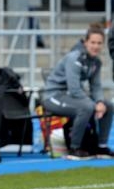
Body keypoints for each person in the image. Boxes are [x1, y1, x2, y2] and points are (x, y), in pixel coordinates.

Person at [42, 23, 114, 160]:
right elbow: (74, 89)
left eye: (99, 43)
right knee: (86, 107)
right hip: (53, 97)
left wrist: (99, 102)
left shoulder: (96, 62)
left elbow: (96, 87)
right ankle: (74, 148)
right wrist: (94, 105)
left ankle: (101, 147)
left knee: (108, 106)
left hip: (70, 97)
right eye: (93, 42)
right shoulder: (74, 58)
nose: (96, 46)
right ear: (86, 42)